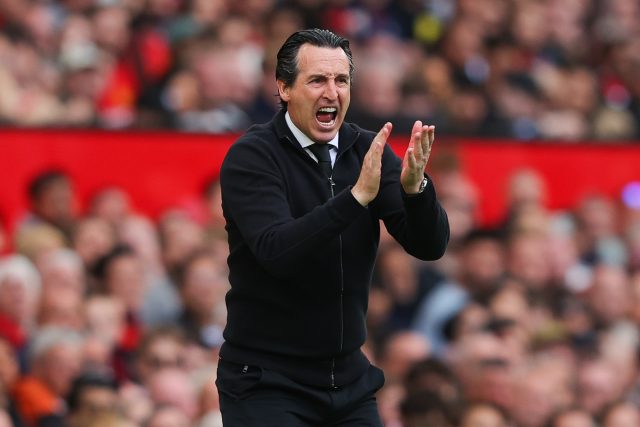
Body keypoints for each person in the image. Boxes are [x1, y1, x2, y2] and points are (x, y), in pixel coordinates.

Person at [217, 28, 450, 426]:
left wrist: (417, 191)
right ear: (284, 88)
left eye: (341, 80)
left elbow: (430, 246)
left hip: (347, 380)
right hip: (266, 381)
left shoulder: (368, 150)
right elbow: (277, 252)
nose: (332, 92)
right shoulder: (253, 156)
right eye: (317, 80)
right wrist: (355, 198)